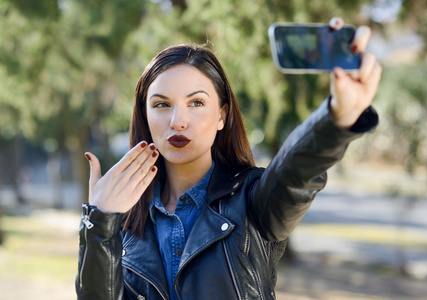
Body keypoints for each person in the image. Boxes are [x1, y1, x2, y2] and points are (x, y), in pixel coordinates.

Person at [76, 17, 382, 300]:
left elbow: (298, 172)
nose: (177, 121)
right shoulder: (125, 219)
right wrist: (101, 219)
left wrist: (337, 118)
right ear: (145, 115)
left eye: (196, 102)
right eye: (161, 104)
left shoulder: (255, 200)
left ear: (222, 115)